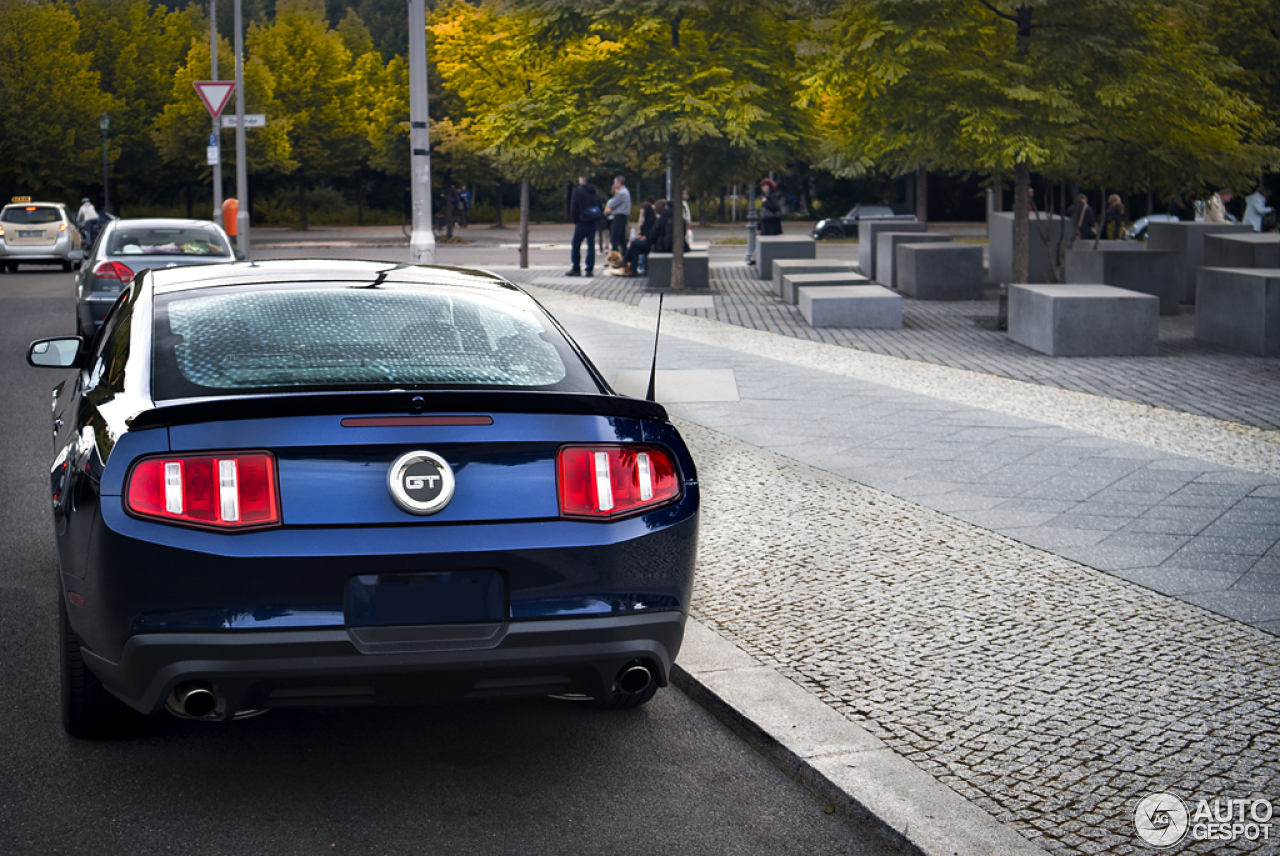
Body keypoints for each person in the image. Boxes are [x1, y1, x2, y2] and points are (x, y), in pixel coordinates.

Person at [567, 175, 603, 276]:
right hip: (593, 221)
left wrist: (575, 219)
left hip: (582, 221)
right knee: (591, 245)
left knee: (576, 244)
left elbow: (574, 206)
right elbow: (600, 205)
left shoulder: (578, 191)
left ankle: (576, 268)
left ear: (582, 179)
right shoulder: (595, 190)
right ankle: (589, 269)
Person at [611, 201, 658, 276]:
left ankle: (624, 261)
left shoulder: (652, 220)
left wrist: (643, 237)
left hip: (649, 243)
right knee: (635, 250)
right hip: (645, 241)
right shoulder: (647, 220)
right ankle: (632, 270)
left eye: (642, 209)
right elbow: (643, 232)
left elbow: (650, 234)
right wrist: (639, 237)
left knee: (633, 244)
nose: (641, 210)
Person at [605, 175, 631, 252]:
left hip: (619, 217)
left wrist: (608, 210)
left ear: (619, 183)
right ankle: (625, 257)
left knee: (614, 238)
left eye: (615, 182)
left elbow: (612, 204)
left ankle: (615, 256)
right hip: (623, 217)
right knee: (622, 239)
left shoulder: (621, 193)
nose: (614, 184)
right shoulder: (626, 191)